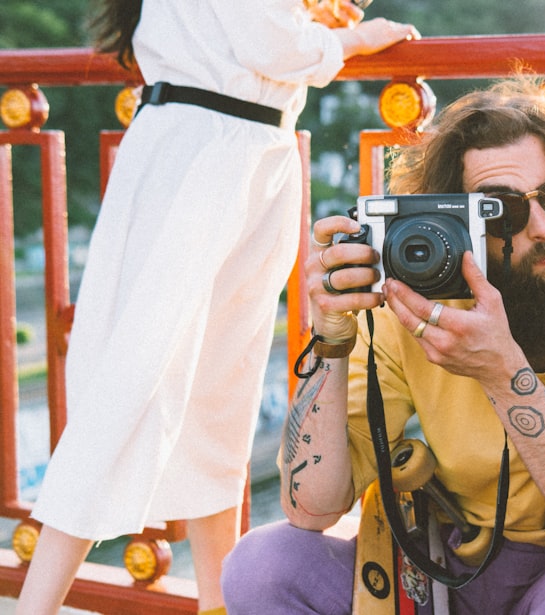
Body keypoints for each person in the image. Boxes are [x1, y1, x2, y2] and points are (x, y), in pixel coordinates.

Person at [220, 75, 545, 614]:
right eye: (505, 211)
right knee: (263, 565)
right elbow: (310, 508)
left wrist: (502, 373)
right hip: (436, 568)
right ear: (453, 222)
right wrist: (331, 340)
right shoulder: (412, 309)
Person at [15, 2, 419, 614]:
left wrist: (313, 19)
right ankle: (34, 607)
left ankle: (217, 602)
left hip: (237, 152)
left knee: (219, 392)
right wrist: (359, 36)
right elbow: (273, 45)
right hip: (206, 155)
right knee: (132, 382)